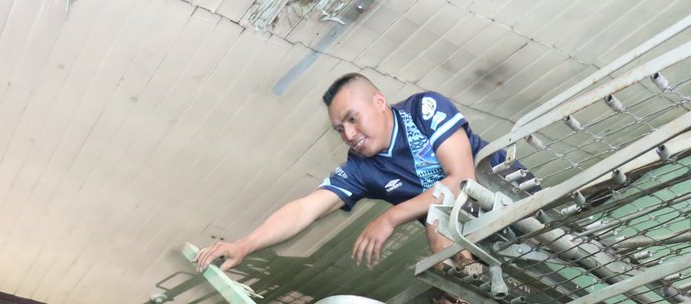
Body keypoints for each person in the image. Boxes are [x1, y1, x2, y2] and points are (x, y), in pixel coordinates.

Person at [195, 73, 509, 273]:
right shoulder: (361, 168)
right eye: (339, 129)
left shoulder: (424, 109)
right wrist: (244, 245)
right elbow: (306, 208)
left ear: (380, 101)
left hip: (510, 197)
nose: (348, 133)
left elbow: (462, 181)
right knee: (443, 280)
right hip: (469, 233)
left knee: (438, 224)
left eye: (352, 119)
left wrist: (389, 217)